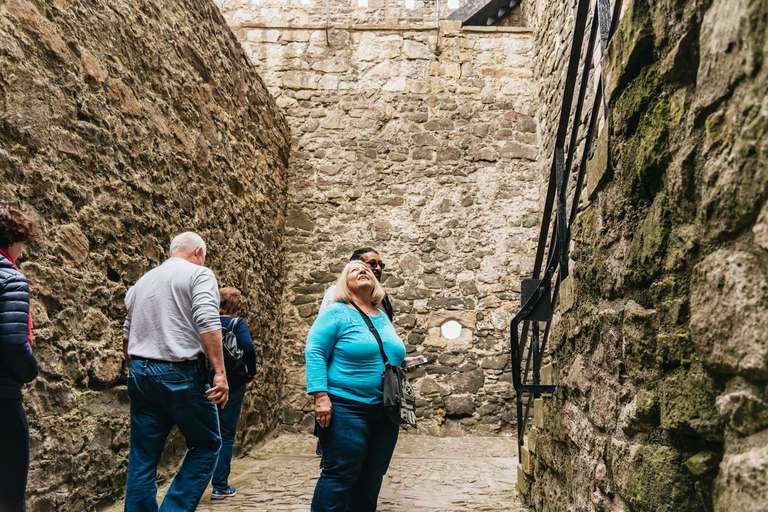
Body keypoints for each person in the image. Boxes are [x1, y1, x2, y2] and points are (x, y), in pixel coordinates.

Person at [122, 232, 228, 512]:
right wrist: (220, 371)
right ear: (199, 251)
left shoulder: (142, 282)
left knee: (142, 458)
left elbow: (126, 332)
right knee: (206, 445)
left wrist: (133, 368)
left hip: (140, 371)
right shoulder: (199, 274)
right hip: (179, 374)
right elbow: (207, 319)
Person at [306, 261, 419, 512]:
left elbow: (382, 351)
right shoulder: (335, 312)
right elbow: (314, 352)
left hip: (386, 409)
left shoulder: (381, 316)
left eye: (366, 269)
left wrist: (402, 363)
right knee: (340, 476)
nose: (363, 271)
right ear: (344, 283)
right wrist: (320, 397)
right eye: (354, 270)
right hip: (346, 408)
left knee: (371, 478)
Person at [0, 205, 39, 512]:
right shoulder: (11, 278)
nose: (23, 252)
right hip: (2, 399)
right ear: (13, 239)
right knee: (11, 494)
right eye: (24, 242)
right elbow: (13, 343)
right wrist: (30, 371)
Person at [210, 287, 257, 501]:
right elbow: (248, 346)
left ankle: (194, 483)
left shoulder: (207, 322)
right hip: (233, 382)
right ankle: (219, 486)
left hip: (207, 382)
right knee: (227, 434)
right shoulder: (237, 323)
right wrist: (251, 371)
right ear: (237, 305)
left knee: (204, 433)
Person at [320, 247, 394, 321]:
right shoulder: (336, 292)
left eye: (380, 264)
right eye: (372, 263)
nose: (378, 268)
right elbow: (323, 324)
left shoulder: (381, 298)